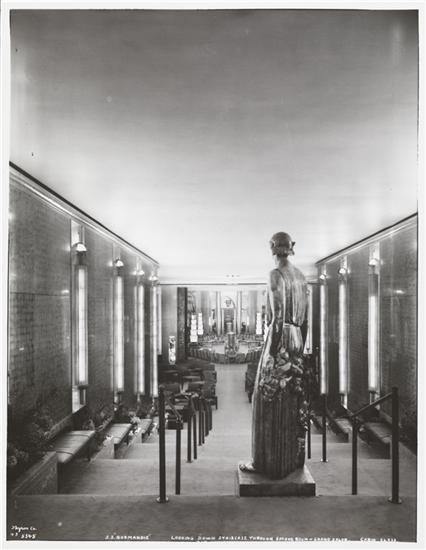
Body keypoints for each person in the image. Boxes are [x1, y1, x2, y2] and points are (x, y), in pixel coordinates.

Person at [240, 232, 308, 479]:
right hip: (297, 338)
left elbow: (277, 318)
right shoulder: (301, 277)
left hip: (280, 338)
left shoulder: (276, 274)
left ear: (272, 248)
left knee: (265, 398)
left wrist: (271, 355)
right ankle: (291, 460)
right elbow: (306, 321)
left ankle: (265, 463)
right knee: (293, 398)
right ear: (292, 247)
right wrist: (299, 349)